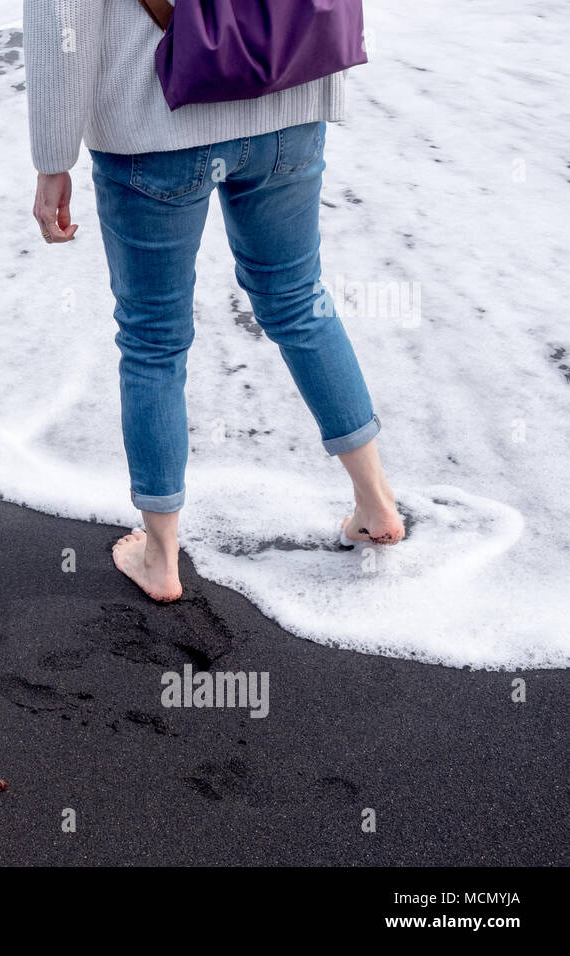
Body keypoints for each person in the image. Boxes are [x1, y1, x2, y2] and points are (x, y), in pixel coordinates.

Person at [25, 0, 404, 603]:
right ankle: (376, 502)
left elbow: (62, 21)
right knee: (299, 300)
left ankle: (161, 557)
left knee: (153, 337)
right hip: (289, 94)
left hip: (153, 121)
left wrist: (52, 160)